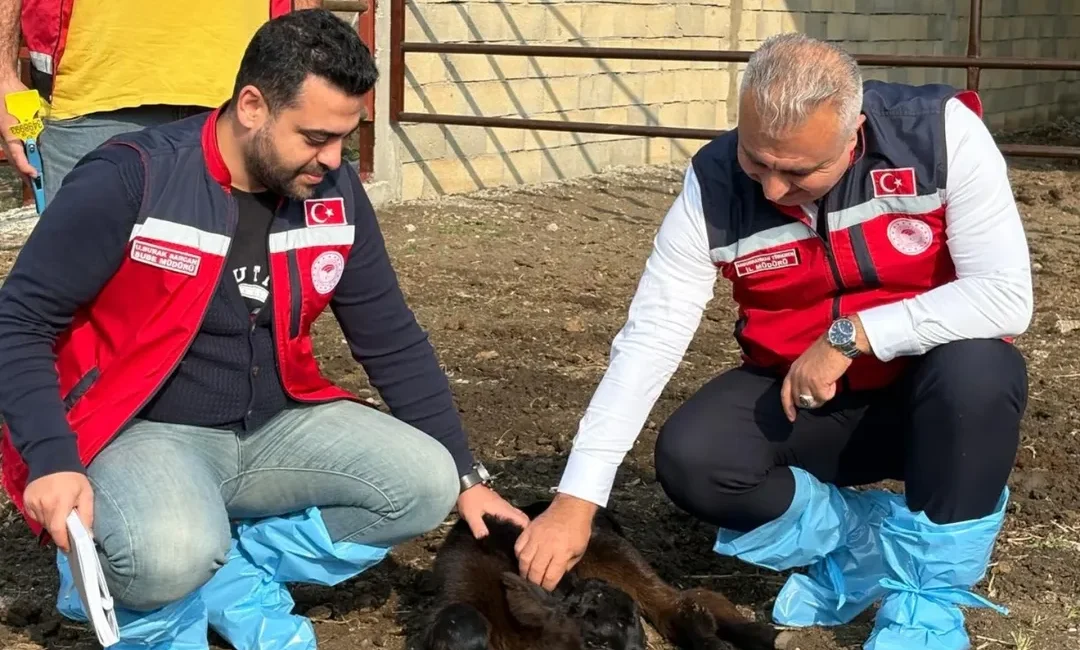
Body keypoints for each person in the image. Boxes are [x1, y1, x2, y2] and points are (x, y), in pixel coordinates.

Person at [0, 9, 526, 650]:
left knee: (425, 480)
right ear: (251, 105)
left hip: (270, 423)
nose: (333, 159)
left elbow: (388, 333)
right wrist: (52, 463)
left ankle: (233, 572)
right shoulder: (133, 177)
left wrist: (472, 481)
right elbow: (20, 322)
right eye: (313, 137)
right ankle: (155, 602)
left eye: (344, 136)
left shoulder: (333, 190)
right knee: (165, 554)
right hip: (141, 430)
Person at [514, 33, 1032, 650]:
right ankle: (865, 541)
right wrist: (577, 498)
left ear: (854, 133)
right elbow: (652, 334)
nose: (772, 192)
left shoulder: (941, 136)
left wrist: (855, 334)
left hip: (936, 402)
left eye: (799, 172)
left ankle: (929, 598)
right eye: (757, 162)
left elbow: (1005, 295)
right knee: (694, 456)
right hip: (806, 395)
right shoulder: (712, 181)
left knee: (979, 369)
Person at [0, 0, 321, 208]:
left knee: (237, 301)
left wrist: (307, 68)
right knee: (83, 296)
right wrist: (3, 75)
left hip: (248, 96)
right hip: (88, 94)